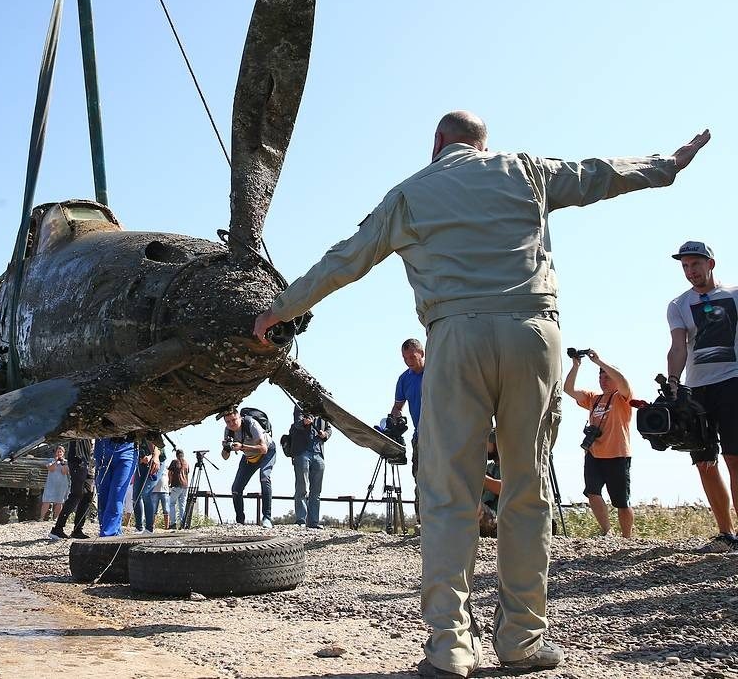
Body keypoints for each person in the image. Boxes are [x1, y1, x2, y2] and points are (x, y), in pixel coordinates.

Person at [253, 111, 710, 677]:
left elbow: (345, 258)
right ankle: (522, 639)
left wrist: (280, 309)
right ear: (483, 144)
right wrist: (666, 166)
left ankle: (449, 646)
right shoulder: (525, 170)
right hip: (533, 335)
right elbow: (599, 175)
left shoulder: (411, 192)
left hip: (455, 337)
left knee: (449, 492)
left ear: (438, 143)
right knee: (527, 487)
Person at [666, 241, 738, 552]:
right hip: (698, 390)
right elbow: (679, 347)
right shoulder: (678, 305)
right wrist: (672, 382)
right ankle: (725, 532)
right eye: (685, 266)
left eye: (695, 264)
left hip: (733, 383)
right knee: (704, 461)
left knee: (735, 459)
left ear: (711, 263)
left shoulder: (734, 294)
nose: (690, 271)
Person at [563, 350, 634, 538]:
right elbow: (568, 389)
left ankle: (627, 538)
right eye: (600, 377)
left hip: (617, 454)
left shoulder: (622, 397)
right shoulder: (593, 398)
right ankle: (607, 532)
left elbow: (624, 382)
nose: (603, 380)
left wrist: (600, 362)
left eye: (607, 377)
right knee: (592, 492)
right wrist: (576, 366)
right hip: (594, 453)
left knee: (621, 501)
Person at [222, 407, 276, 528]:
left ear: (239, 417)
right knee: (236, 488)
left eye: (234, 420)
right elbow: (225, 457)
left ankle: (267, 518)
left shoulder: (251, 423)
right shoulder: (228, 430)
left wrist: (242, 447)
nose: (231, 424)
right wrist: (226, 448)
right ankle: (240, 521)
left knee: (264, 478)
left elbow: (263, 449)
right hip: (249, 457)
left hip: (266, 452)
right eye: (228, 422)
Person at [289, 404, 331, 528]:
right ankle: (301, 520)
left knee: (316, 491)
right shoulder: (300, 405)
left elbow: (329, 428)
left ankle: (314, 522)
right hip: (302, 453)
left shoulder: (323, 408)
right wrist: (305, 422)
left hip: (318, 454)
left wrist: (326, 434)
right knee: (301, 488)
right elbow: (297, 423)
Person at [392, 338, 426, 481]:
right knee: (420, 480)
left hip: (443, 436)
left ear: (422, 353)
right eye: (405, 358)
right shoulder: (404, 379)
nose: (408, 361)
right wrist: (396, 418)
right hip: (420, 437)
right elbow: (397, 407)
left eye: (412, 357)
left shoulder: (437, 371)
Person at [50, 439, 96, 540]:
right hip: (78, 459)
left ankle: (78, 529)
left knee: (88, 495)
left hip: (89, 462)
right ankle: (58, 528)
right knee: (76, 494)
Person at [94, 436, 137, 537]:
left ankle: (108, 534)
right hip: (102, 450)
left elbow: (151, 429)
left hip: (127, 451)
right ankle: (112, 530)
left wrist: (155, 454)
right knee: (103, 495)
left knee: (116, 495)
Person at [40, 445, 70, 522]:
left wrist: (63, 463)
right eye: (58, 451)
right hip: (51, 483)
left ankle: (56, 518)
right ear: (55, 452)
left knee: (59, 501)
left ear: (63, 453)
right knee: (46, 501)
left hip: (62, 484)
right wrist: (56, 462)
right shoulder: (51, 460)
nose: (59, 453)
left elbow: (64, 472)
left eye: (61, 451)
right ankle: (41, 518)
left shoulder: (66, 462)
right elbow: (51, 469)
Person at [480, 433, 502, 538]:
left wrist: (479, 477)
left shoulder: (510, 468)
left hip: (499, 521)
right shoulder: (490, 467)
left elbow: (503, 488)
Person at [146, 452, 171, 531]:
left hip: (164, 490)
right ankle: (152, 526)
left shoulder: (166, 467)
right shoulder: (153, 466)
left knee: (166, 509)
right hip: (155, 490)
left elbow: (170, 475)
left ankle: (167, 527)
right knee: (153, 510)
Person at [167, 449, 191, 529]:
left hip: (177, 485)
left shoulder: (174, 461)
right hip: (185, 486)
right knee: (182, 505)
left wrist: (169, 483)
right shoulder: (186, 463)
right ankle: (183, 523)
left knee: (172, 504)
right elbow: (187, 474)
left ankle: (173, 523)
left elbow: (170, 473)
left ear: (176, 455)